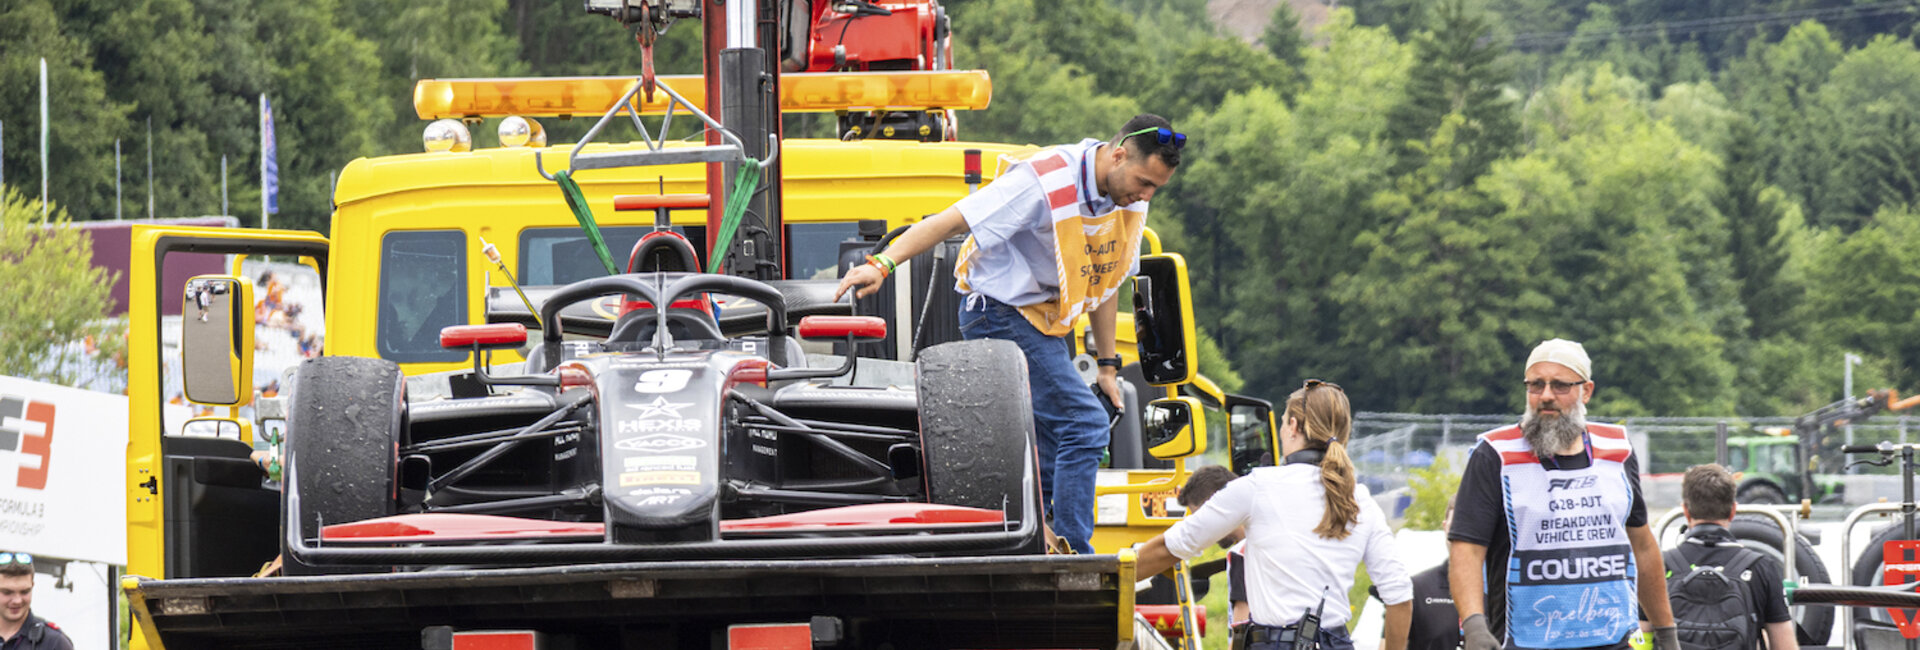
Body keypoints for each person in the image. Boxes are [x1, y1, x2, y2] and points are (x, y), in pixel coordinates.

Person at [834, 114, 1183, 554]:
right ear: (1118, 155)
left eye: (1156, 188)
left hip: (1051, 322)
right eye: (1143, 181)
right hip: (998, 312)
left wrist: (1109, 367)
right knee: (1085, 422)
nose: (1146, 195)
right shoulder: (1044, 180)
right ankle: (1072, 553)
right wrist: (881, 263)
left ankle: (1031, 539)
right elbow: (950, 221)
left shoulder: (1128, 197)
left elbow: (1104, 280)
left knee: (1054, 441)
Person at [1138, 380, 1412, 650]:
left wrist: (1112, 578)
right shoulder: (1360, 499)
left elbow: (1172, 546)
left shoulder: (1258, 486)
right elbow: (1399, 597)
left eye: (1282, 422)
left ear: (1293, 427)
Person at [1449, 339, 1678, 650]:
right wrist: (1474, 623)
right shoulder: (1495, 455)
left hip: (1612, 640)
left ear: (1586, 391)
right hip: (1526, 641)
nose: (1545, 396)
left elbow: (1642, 545)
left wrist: (1666, 632)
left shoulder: (1617, 451)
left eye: (1559, 386)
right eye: (1535, 385)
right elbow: (1467, 548)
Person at [1655, 464, 1797, 650]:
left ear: (1686, 511)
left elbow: (1641, 636)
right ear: (1733, 511)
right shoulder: (1761, 567)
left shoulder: (1660, 566)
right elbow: (1784, 646)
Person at [1371, 497, 1461, 650]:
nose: (1462, 535)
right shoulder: (1414, 590)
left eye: (1469, 527)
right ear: (1445, 527)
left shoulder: (1503, 590)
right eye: (1455, 526)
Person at [1175, 465, 1251, 632]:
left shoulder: (1242, 553)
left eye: (1201, 518)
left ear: (1217, 506)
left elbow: (1242, 628)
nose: (1202, 530)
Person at [0, 554, 71, 650]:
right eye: (7, 592)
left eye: (24, 592)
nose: (17, 600)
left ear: (32, 586)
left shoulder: (53, 642)